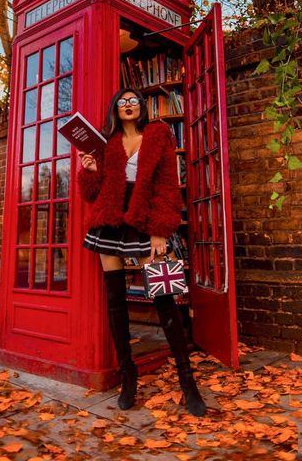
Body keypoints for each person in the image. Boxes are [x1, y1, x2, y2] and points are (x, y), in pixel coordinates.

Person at [77, 87, 206, 417]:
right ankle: (128, 375)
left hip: (144, 218)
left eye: (133, 101)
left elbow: (167, 184)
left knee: (164, 299)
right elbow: (93, 192)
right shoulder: (106, 142)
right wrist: (89, 171)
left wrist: (161, 229)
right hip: (109, 220)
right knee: (116, 302)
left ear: (142, 107)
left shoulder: (158, 134)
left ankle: (187, 382)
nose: (128, 105)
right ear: (115, 110)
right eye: (122, 102)